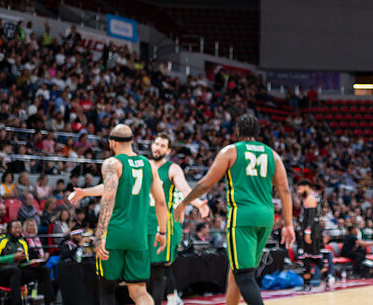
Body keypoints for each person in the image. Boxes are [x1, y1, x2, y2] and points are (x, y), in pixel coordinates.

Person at [70, 133, 210, 305]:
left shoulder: (171, 168)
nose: (157, 147)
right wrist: (86, 191)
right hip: (141, 226)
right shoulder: (145, 165)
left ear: (169, 150)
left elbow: (184, 189)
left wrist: (197, 203)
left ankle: (173, 298)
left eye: (162, 145)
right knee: (142, 280)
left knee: (159, 271)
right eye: (156, 143)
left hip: (160, 225)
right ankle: (172, 298)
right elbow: (111, 186)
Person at [174, 114, 295, 305]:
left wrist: (183, 202)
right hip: (266, 217)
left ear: (237, 131)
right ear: (257, 133)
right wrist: (289, 224)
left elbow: (205, 184)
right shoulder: (273, 154)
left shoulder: (230, 151)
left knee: (244, 275)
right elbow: (285, 191)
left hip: (242, 216)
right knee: (237, 269)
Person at [91, 124, 168, 305]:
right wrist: (162, 232)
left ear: (111, 142)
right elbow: (161, 202)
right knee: (139, 292)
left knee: (107, 290)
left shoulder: (112, 163)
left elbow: (108, 197)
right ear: (132, 141)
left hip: (115, 234)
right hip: (138, 236)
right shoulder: (149, 165)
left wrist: (99, 235)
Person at [0, 219, 55, 305]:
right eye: (15, 228)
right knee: (16, 271)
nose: (18, 230)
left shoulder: (22, 242)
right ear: (8, 230)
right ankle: (17, 303)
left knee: (44, 270)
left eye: (20, 228)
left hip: (15, 275)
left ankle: (49, 302)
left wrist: (30, 263)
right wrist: (13, 257)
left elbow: (23, 264)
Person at [293, 180, 324, 291]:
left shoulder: (310, 198)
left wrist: (307, 232)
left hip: (310, 232)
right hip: (312, 231)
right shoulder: (314, 197)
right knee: (310, 257)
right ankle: (328, 276)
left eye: (300, 188)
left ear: (307, 186)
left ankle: (309, 283)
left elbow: (310, 218)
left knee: (307, 257)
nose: (299, 191)